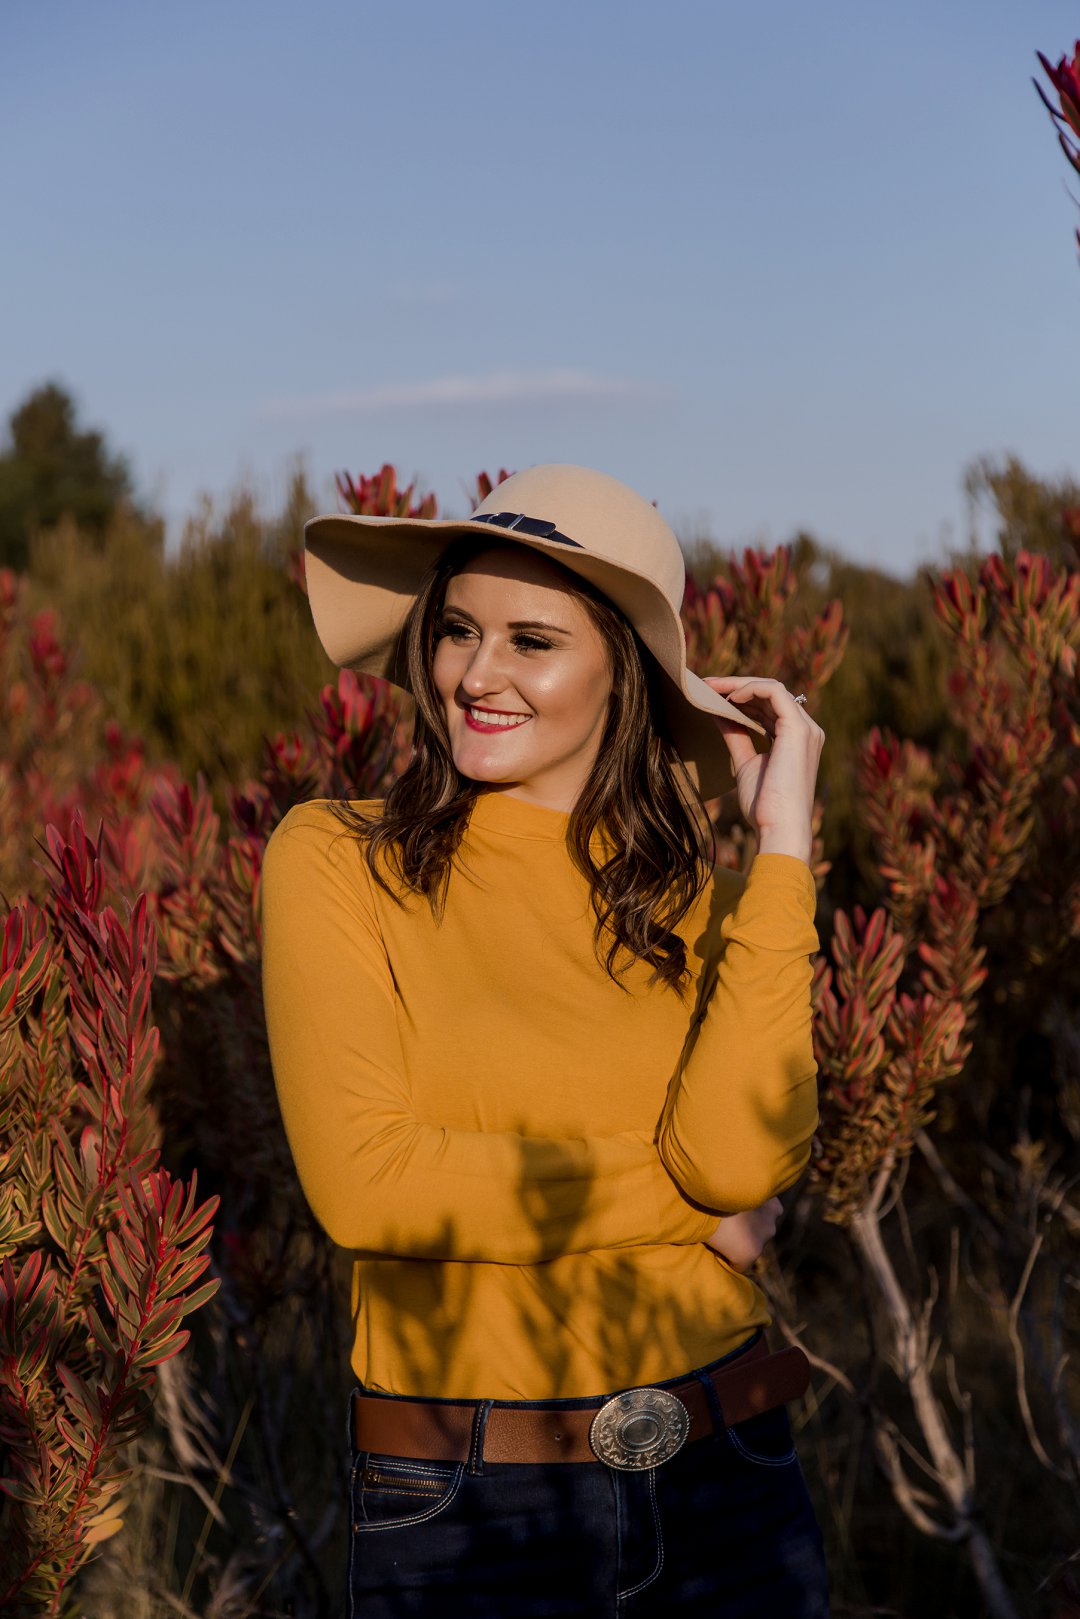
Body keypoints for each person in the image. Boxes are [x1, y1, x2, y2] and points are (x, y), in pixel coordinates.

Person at [258, 463, 830, 1616]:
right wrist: (684, 1205)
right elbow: (371, 1185)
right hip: (465, 1499)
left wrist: (779, 850)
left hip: (731, 1468)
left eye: (532, 640)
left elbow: (734, 1160)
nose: (478, 673)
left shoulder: (713, 906)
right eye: (459, 630)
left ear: (623, 670)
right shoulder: (335, 858)